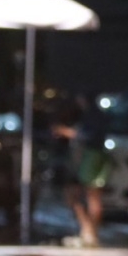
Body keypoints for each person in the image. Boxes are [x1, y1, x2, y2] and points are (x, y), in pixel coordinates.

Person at [53, 94, 111, 247]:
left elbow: (86, 136)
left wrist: (66, 132)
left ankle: (89, 231)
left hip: (87, 158)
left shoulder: (90, 116)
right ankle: (88, 232)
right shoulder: (97, 115)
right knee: (91, 197)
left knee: (83, 196)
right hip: (94, 157)